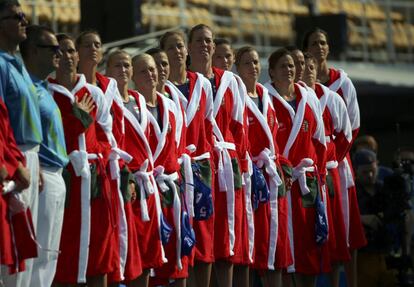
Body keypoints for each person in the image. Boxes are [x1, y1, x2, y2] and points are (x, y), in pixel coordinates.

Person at [48, 33, 114, 287]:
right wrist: (78, 119)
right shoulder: (45, 93)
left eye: (70, 51)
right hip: (63, 180)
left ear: (77, 55)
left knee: (99, 250)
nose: (66, 57)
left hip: (94, 181)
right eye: (59, 52)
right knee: (63, 246)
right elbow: (50, 138)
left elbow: (108, 138)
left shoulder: (95, 94)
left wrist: (101, 163)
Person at [303, 27, 366, 287]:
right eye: (314, 43)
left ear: (328, 48)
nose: (319, 47)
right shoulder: (297, 86)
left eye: (323, 42)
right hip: (310, 167)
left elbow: (353, 126)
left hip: (337, 166)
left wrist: (332, 160)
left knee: (346, 232)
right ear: (306, 49)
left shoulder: (342, 83)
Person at [187, 24, 250, 287]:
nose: (205, 45)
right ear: (190, 46)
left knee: (227, 237)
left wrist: (243, 167)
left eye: (209, 41)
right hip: (199, 166)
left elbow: (240, 127)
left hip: (226, 166)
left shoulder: (230, 81)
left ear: (214, 47)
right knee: (199, 237)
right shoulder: (183, 83)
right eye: (199, 40)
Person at [264, 48, 330, 287]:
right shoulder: (266, 98)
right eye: (283, 66)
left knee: (308, 244)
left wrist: (320, 177)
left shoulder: (308, 96)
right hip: (281, 183)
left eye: (291, 65)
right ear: (271, 72)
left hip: (307, 183)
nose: (289, 70)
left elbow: (320, 140)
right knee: (282, 245)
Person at [159, 30, 216, 287]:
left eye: (180, 46)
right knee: (179, 237)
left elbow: (208, 125)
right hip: (175, 170)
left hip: (201, 168)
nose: (177, 52)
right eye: (171, 48)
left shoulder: (203, 84)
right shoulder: (161, 91)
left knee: (204, 240)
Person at [235, 45, 292, 287]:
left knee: (276, 245)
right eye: (247, 63)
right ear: (237, 68)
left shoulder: (266, 96)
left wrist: (284, 166)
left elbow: (276, 140)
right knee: (252, 244)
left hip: (271, 177)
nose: (253, 67)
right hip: (251, 179)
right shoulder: (236, 96)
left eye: (256, 62)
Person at [18, 25, 69, 287]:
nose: (59, 54)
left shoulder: (43, 87)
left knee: (49, 255)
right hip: (41, 176)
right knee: (38, 254)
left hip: (55, 175)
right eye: (54, 49)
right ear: (35, 51)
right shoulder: (26, 89)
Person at [76, 30, 127, 286]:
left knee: (106, 240)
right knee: (82, 240)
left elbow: (117, 128)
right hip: (83, 168)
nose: (93, 49)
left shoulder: (109, 86)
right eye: (86, 45)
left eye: (97, 44)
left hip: (109, 168)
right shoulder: (68, 86)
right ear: (76, 52)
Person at [0, 1, 42, 285]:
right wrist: (12, 163)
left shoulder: (18, 64)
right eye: (17, 16)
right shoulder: (1, 65)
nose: (25, 20)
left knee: (29, 252)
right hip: (13, 160)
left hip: (29, 157)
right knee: (12, 251)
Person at [105, 49, 144, 286]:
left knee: (143, 252)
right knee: (119, 245)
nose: (123, 70)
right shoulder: (104, 100)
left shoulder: (139, 100)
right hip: (119, 179)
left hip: (144, 184)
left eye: (127, 65)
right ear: (107, 70)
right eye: (117, 66)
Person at [353, 149, 397, 287]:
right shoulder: (352, 193)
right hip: (364, 255)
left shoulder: (385, 190)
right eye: (364, 172)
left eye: (373, 170)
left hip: (387, 252)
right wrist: (360, 218)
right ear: (355, 171)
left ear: (378, 165)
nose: (370, 175)